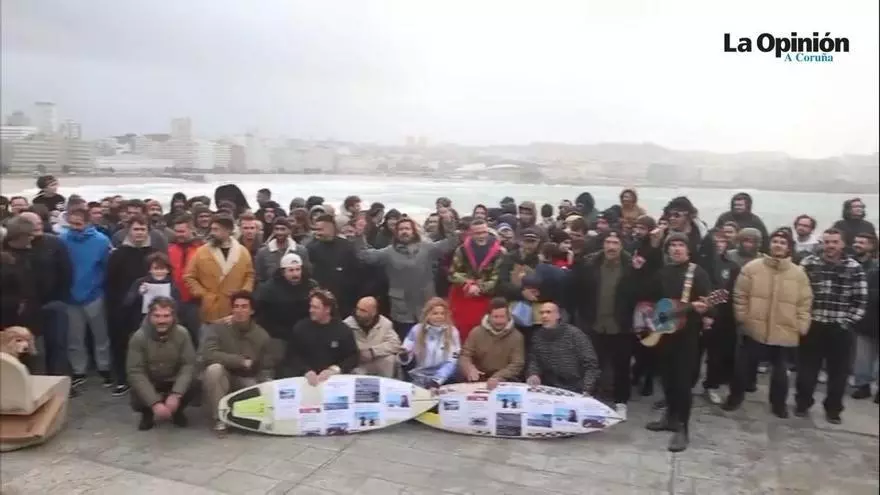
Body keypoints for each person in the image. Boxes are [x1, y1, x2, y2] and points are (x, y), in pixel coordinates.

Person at [723, 228, 813, 418]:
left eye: (782, 242)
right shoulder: (752, 268)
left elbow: (805, 301)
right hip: (753, 328)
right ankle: (735, 397)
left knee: (780, 373)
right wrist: (742, 317)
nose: (778, 245)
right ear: (769, 244)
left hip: (784, 330)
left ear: (789, 247)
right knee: (742, 368)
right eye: (775, 241)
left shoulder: (798, 274)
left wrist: (801, 325)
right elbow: (740, 294)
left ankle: (778, 405)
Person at [638, 233, 713, 452]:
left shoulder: (697, 273)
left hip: (687, 336)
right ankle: (669, 418)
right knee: (667, 379)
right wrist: (648, 316)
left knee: (682, 383)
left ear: (688, 250)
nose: (677, 249)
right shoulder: (662, 272)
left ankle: (683, 428)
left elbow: (710, 302)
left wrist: (705, 308)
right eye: (673, 245)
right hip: (663, 334)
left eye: (681, 245)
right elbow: (648, 300)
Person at [796, 229, 868, 424]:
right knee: (806, 370)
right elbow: (797, 294)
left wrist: (848, 322)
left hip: (840, 328)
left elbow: (860, 300)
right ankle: (802, 403)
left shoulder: (854, 268)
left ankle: (833, 409)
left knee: (839, 373)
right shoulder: (808, 264)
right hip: (814, 325)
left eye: (835, 242)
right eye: (827, 242)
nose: (830, 246)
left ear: (843, 244)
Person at [354, 214, 458, 340]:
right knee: (406, 343)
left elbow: (451, 242)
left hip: (426, 304)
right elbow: (365, 256)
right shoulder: (389, 252)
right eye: (401, 229)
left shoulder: (427, 248)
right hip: (402, 308)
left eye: (407, 228)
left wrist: (448, 223)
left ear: (413, 231)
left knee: (429, 341)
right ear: (396, 233)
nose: (404, 232)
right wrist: (359, 236)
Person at [571, 231, 636, 420]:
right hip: (595, 323)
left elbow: (640, 291)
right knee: (592, 363)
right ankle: (588, 397)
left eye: (615, 242)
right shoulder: (590, 263)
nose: (611, 246)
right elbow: (578, 287)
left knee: (621, 366)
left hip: (621, 325)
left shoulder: (631, 266)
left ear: (622, 245)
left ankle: (621, 402)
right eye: (608, 242)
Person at [201, 291, 273, 434]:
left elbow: (266, 366)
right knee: (213, 370)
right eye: (236, 306)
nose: (239, 311)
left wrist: (267, 387)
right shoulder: (218, 328)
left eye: (244, 307)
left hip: (246, 379)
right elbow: (208, 354)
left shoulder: (262, 335)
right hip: (223, 376)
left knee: (256, 386)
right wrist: (239, 361)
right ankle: (220, 418)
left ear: (251, 311)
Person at [58, 208, 113, 390]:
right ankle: (78, 370)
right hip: (70, 296)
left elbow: (107, 268)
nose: (75, 228)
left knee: (101, 335)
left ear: (88, 222)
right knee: (75, 337)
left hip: (94, 294)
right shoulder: (63, 240)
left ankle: (104, 367)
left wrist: (98, 287)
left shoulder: (101, 241)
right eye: (72, 224)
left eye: (79, 224)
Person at [106, 214, 159, 396]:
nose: (139, 233)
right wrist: (114, 307)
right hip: (121, 307)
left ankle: (147, 379)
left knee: (147, 344)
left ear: (148, 231)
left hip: (146, 308)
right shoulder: (118, 254)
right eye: (136, 229)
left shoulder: (154, 254)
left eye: (143, 229)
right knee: (121, 344)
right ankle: (122, 379)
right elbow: (110, 282)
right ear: (129, 231)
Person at [126, 297, 197, 431]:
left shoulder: (183, 333)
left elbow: (188, 365)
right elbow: (135, 372)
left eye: (166, 316)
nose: (162, 320)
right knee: (136, 390)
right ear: (149, 316)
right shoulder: (138, 337)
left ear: (173, 316)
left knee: (194, 383)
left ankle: (177, 410)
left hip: (173, 380)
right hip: (151, 380)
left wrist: (177, 393)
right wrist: (154, 403)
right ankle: (147, 413)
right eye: (157, 316)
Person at [19, 211, 73, 377]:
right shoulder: (17, 245)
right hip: (28, 306)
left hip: (54, 302)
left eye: (39, 223)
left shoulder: (55, 242)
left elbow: (67, 272)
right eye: (32, 223)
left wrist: (61, 298)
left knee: (57, 344)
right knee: (32, 347)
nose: (37, 226)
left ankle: (59, 381)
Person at [183, 214, 255, 324]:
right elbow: (189, 276)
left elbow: (250, 275)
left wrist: (243, 293)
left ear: (228, 230)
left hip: (234, 309)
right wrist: (203, 294)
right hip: (210, 309)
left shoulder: (243, 252)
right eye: (212, 229)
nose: (212, 233)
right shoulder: (201, 252)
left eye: (216, 229)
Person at [254, 252, 317, 367]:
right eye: (291, 270)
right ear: (283, 272)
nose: (295, 274)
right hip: (278, 334)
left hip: (305, 333)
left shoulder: (311, 286)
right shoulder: (269, 289)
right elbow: (259, 313)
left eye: (298, 270)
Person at [283, 289, 360, 383]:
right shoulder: (300, 328)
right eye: (311, 307)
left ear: (327, 309)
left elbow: (353, 356)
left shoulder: (342, 330)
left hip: (334, 381)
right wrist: (305, 370)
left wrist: (334, 370)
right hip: (304, 380)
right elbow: (291, 355)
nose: (311, 310)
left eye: (315, 307)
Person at [448, 219, 505, 342]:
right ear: (471, 234)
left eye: (484, 232)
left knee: (484, 331)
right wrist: (469, 284)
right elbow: (453, 273)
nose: (481, 236)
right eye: (477, 233)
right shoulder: (461, 250)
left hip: (486, 296)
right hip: (463, 295)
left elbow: (497, 277)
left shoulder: (498, 252)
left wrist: (480, 288)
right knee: (461, 330)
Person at [525, 302, 599, 396]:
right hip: (549, 386)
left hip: (576, 387)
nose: (544, 316)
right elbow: (534, 360)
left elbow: (591, 364)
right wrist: (533, 374)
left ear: (558, 315)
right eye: (542, 313)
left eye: (548, 312)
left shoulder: (575, 335)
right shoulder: (537, 336)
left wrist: (587, 388)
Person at [459, 298, 525, 390]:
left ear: (508, 317)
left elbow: (517, 363)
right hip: (479, 377)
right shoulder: (476, 332)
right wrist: (469, 368)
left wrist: (497, 377)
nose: (499, 321)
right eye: (495, 317)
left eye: (502, 317)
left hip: (505, 379)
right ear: (489, 316)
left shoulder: (517, 336)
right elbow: (465, 355)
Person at [399, 298, 461, 388]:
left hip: (445, 379)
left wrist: (437, 380)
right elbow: (406, 351)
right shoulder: (416, 330)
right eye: (435, 313)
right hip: (419, 376)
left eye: (442, 313)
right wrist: (403, 355)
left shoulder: (453, 332)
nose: (439, 317)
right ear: (427, 315)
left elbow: (452, 361)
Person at [166, 214, 203, 344]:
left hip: (195, 302)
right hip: (174, 301)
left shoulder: (202, 250)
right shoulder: (170, 249)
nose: (179, 234)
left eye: (182, 231)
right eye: (176, 231)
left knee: (197, 338)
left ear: (191, 230)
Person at [850, 232, 879, 401]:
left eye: (862, 242)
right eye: (856, 241)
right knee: (863, 357)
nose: (857, 244)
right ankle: (863, 386)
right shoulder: (865, 267)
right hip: (867, 318)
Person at [343, 296, 401, 377]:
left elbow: (396, 344)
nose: (358, 313)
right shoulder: (347, 324)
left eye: (363, 311)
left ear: (373, 312)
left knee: (390, 359)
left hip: (377, 362)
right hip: (357, 364)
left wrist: (373, 352)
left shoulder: (385, 323)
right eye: (357, 308)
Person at [254, 217, 310, 285]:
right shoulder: (263, 252)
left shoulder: (301, 251)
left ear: (289, 231)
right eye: (276, 229)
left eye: (283, 229)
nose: (279, 232)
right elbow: (259, 278)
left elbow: (306, 274)